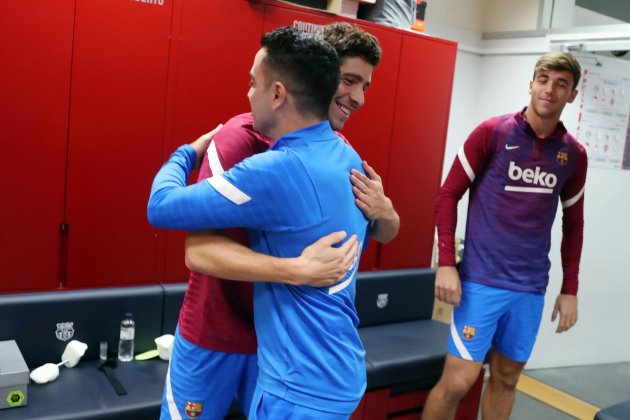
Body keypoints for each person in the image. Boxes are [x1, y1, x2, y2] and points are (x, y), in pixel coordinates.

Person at [158, 22, 395, 420]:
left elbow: (376, 234)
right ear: (313, 74)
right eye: (349, 81)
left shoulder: (339, 153)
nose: (357, 98)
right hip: (217, 332)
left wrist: (387, 212)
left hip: (280, 351)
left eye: (364, 87)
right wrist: (296, 270)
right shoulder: (238, 139)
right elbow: (197, 251)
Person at [422, 52, 587, 420]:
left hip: (529, 288)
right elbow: (448, 194)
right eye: (544, 79)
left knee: (507, 378)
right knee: (458, 380)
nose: (550, 89)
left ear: (572, 95)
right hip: (481, 281)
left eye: (561, 83)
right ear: (531, 84)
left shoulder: (573, 154)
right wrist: (447, 263)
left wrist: (570, 288)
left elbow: (573, 224)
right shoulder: (493, 133)